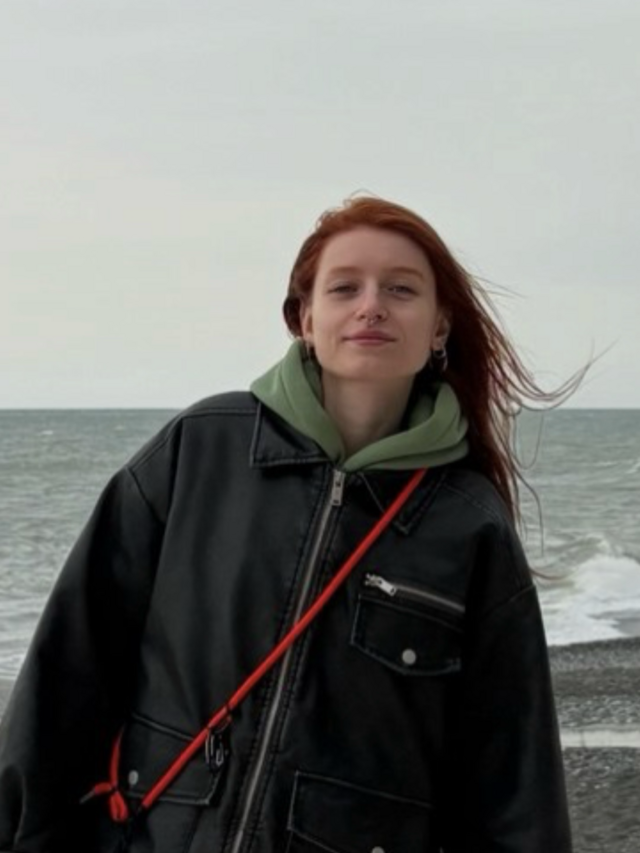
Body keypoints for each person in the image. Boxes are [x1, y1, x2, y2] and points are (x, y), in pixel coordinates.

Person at [0, 196, 574, 852]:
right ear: (304, 318)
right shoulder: (201, 449)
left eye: (401, 289)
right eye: (344, 287)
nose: (371, 306)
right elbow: (70, 668)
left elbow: (512, 779)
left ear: (440, 325)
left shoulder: (468, 521)